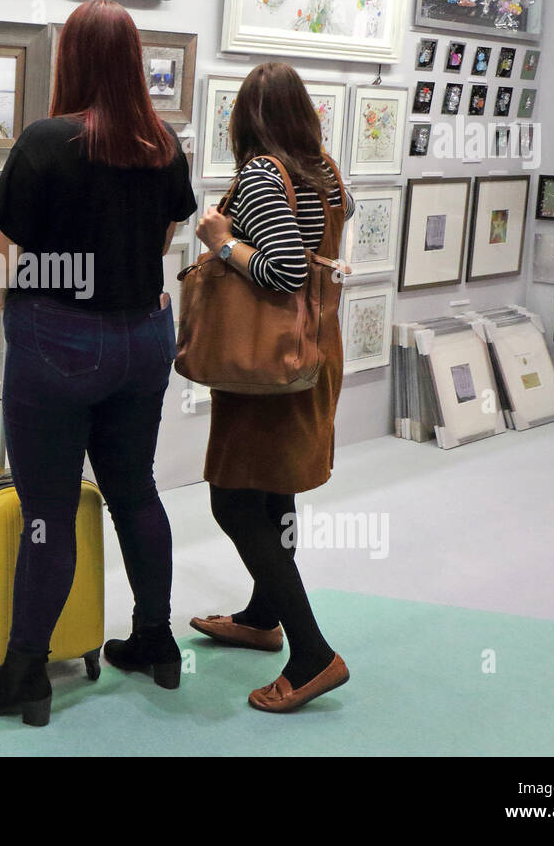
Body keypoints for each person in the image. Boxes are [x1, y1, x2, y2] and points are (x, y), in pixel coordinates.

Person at [0, 0, 197, 725]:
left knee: (49, 511)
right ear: (131, 62)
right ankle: (156, 641)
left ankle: (27, 672)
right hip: (145, 338)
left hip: (59, 344)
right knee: (137, 492)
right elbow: (160, 243)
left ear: (71, 60)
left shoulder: (44, 142)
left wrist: (30, 316)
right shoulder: (164, 144)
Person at [191, 61, 354, 714]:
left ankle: (312, 652)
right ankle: (263, 615)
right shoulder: (326, 174)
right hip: (310, 354)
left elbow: (283, 270)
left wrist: (220, 240)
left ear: (245, 118)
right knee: (273, 487)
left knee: (232, 500)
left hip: (266, 367)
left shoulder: (261, 175)